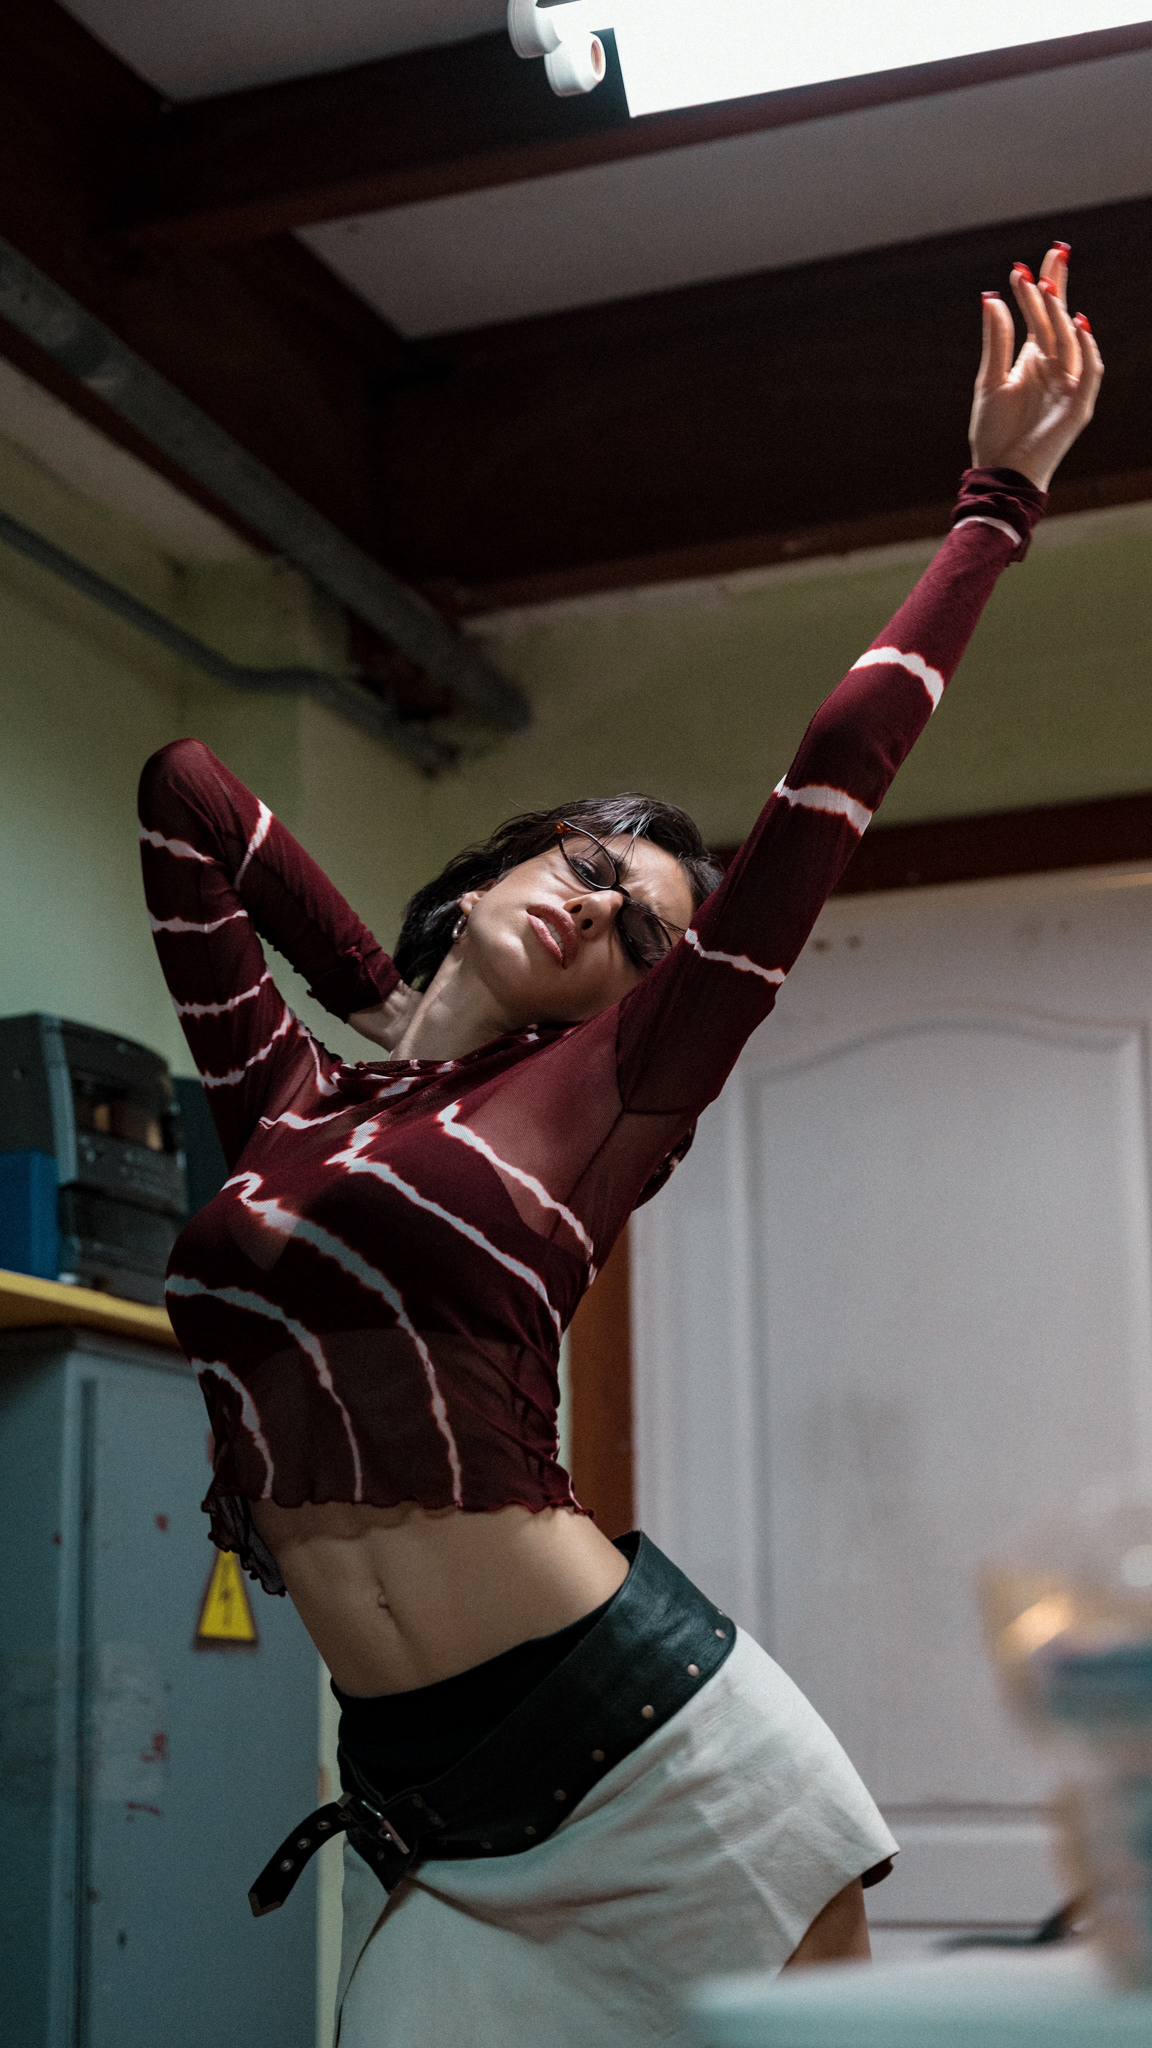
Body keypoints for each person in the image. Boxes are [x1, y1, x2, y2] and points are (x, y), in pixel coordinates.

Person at [139, 245, 1100, 2045]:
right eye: (585, 866)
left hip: (665, 1759)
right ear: (500, 866)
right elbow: (189, 795)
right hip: (436, 1803)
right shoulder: (289, 1102)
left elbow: (833, 769)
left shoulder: (596, 1108)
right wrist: (395, 1004)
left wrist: (999, 499)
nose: (599, 912)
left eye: (644, 932)